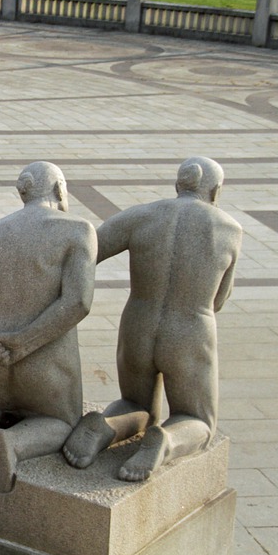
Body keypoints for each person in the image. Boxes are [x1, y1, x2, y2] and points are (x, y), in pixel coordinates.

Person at [62, 157, 242, 482]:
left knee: (134, 402)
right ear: (215, 192)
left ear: (177, 185)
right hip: (190, 330)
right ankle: (168, 439)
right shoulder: (228, 229)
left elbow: (87, 251)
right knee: (198, 419)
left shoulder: (142, 216)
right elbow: (218, 300)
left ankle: (105, 426)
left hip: (138, 324)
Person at [0, 162, 96, 492]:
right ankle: (11, 445)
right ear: (59, 189)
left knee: (3, 407)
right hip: (43, 357)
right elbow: (78, 302)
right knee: (60, 422)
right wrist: (24, 344)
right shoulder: (77, 230)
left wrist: (3, 344)